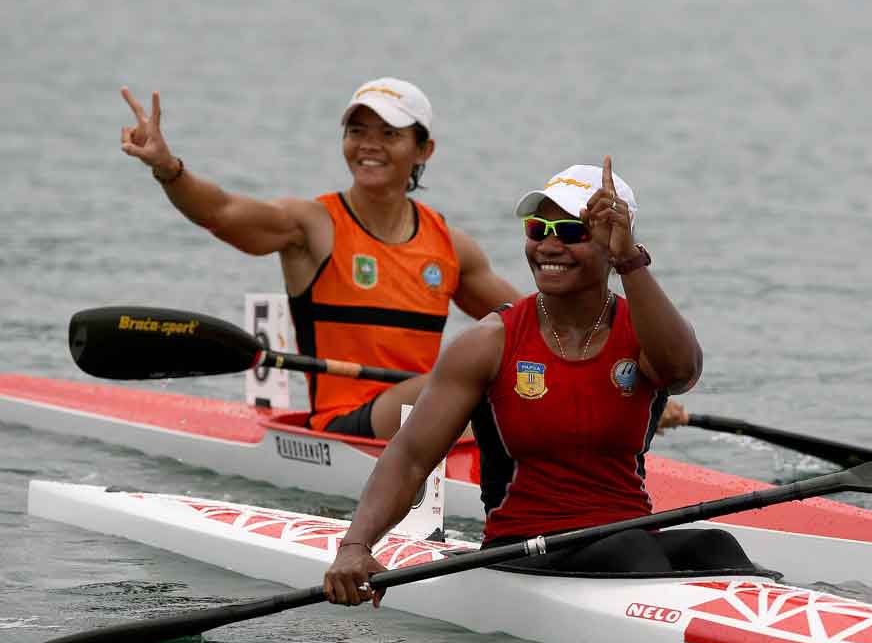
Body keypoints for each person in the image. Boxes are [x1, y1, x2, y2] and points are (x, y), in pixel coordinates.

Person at [323, 157, 752, 607]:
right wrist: (355, 546)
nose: (548, 245)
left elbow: (682, 373)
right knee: (631, 549)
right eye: (536, 230)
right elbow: (410, 457)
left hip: (626, 540)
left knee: (716, 545)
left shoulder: (643, 332)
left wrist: (631, 261)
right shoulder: (489, 344)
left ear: (614, 243)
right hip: (525, 548)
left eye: (570, 232)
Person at [119, 77, 522, 439]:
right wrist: (167, 168)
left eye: (388, 133)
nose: (368, 144)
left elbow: (525, 325)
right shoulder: (312, 227)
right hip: (344, 424)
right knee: (458, 379)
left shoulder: (451, 246)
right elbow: (221, 212)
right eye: (356, 131)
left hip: (426, 417)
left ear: (423, 149)